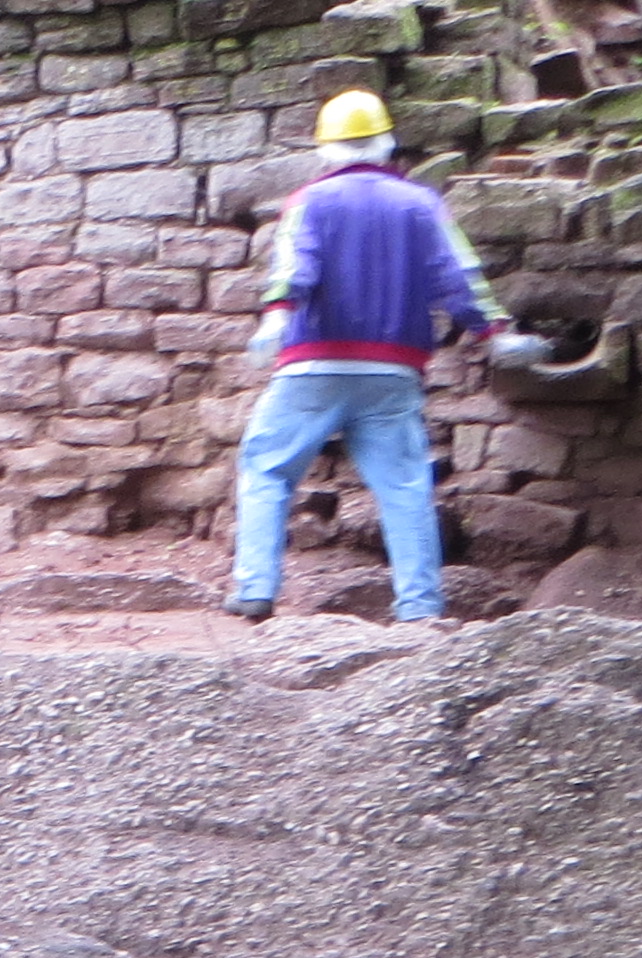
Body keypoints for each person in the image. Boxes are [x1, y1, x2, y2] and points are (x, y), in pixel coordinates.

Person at [226, 88, 531, 628]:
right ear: (387, 143)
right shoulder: (420, 203)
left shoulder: (309, 201)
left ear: (326, 148)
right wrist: (496, 333)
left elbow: (296, 268)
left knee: (267, 470)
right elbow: (458, 276)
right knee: (405, 486)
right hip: (393, 369)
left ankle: (255, 590)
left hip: (312, 364)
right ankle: (419, 606)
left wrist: (275, 318)